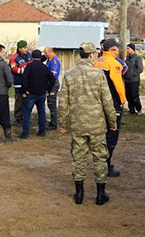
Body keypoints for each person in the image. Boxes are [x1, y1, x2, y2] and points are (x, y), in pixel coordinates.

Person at [58, 41, 117, 206]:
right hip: (97, 125)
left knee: (78, 158)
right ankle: (100, 194)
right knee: (100, 157)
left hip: (77, 124)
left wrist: (62, 125)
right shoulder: (99, 74)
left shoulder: (69, 75)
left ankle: (79, 193)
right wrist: (112, 121)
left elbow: (63, 103)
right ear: (92, 55)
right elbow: (107, 101)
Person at [94, 38, 126, 177]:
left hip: (99, 102)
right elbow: (118, 84)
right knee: (112, 135)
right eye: (117, 48)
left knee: (101, 134)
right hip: (112, 103)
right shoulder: (113, 63)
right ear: (112, 49)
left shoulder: (98, 61)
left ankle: (102, 162)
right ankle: (105, 165)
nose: (118, 50)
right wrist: (122, 100)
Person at [20, 49, 56, 139]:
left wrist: (24, 91)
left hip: (31, 93)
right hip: (41, 93)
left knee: (27, 112)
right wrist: (48, 90)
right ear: (40, 57)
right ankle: (42, 131)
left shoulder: (29, 66)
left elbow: (23, 79)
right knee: (41, 112)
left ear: (32, 57)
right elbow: (52, 79)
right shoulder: (45, 67)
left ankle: (25, 133)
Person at [9, 40, 32, 126]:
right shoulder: (14, 58)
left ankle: (25, 116)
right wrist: (27, 71)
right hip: (19, 82)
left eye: (26, 47)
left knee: (28, 100)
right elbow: (14, 69)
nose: (26, 49)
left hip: (28, 82)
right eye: (24, 48)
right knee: (19, 100)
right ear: (20, 48)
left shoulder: (29, 55)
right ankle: (18, 117)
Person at [43, 46, 61, 130]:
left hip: (53, 83)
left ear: (50, 52)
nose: (45, 55)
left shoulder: (54, 61)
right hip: (49, 83)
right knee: (50, 103)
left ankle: (54, 123)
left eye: (46, 53)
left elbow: (53, 75)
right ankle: (52, 121)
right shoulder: (49, 60)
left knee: (52, 103)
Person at [123, 43, 143, 115]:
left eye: (128, 48)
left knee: (134, 95)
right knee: (128, 95)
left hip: (134, 80)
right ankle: (131, 110)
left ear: (132, 49)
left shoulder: (137, 58)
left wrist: (133, 74)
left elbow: (140, 69)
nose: (127, 50)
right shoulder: (127, 58)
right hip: (127, 80)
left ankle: (139, 109)